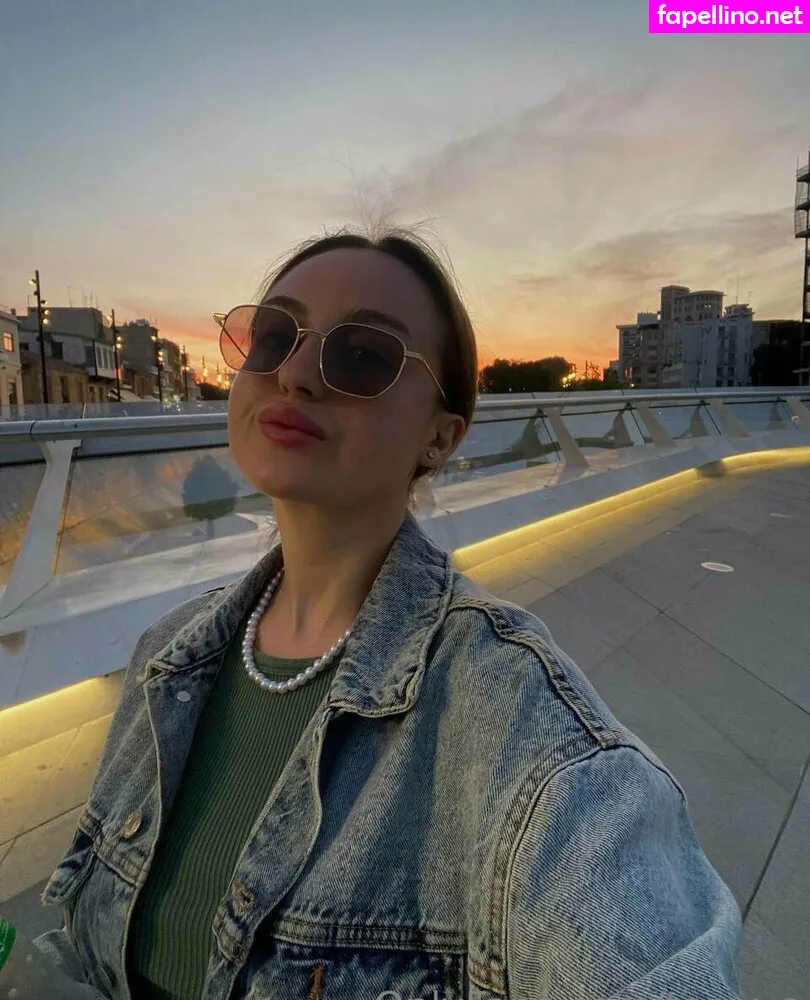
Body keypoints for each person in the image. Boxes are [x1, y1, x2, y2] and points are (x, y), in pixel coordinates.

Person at [28, 226, 743, 999]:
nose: (295, 374)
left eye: (363, 355)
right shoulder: (166, 658)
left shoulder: (523, 733)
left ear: (439, 437)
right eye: (274, 337)